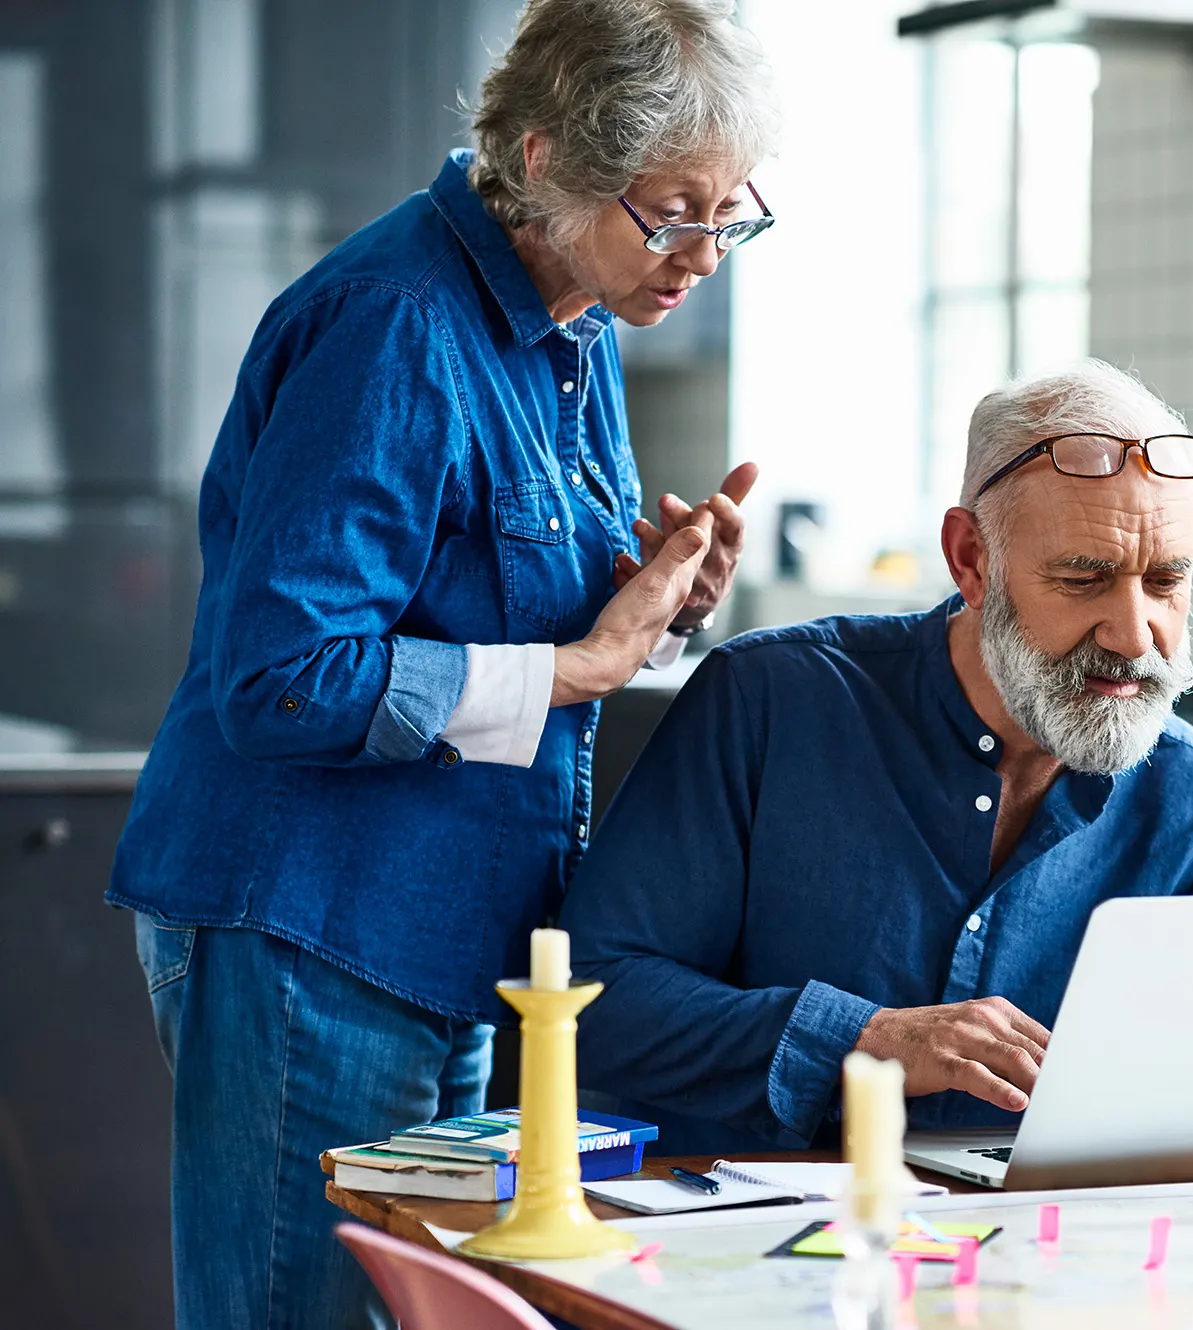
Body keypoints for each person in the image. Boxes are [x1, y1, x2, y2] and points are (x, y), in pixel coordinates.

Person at [106, 3, 778, 1326]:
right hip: (314, 926)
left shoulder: (569, 328)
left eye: (731, 211)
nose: (705, 254)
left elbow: (512, 609)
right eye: (671, 212)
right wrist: (578, 667)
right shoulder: (396, 324)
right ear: (542, 160)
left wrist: (665, 602)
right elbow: (284, 674)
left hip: (445, 934)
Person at [560, 359, 1193, 1156]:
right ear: (970, 558)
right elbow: (585, 1001)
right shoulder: (773, 702)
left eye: (1167, 580)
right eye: (1084, 577)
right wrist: (867, 1042)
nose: (1134, 633)